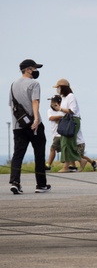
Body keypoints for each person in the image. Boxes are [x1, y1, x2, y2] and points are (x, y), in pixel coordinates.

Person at [8, 59, 48, 194]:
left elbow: (12, 106)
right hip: (34, 125)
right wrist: (36, 119)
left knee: (18, 155)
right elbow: (35, 102)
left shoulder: (13, 85)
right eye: (35, 68)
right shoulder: (34, 84)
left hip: (18, 126)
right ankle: (41, 184)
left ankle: (15, 182)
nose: (36, 71)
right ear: (28, 69)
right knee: (39, 153)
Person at [52, 79, 97, 173]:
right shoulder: (64, 97)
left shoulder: (70, 96)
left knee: (67, 143)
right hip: (67, 119)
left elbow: (72, 110)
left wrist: (60, 108)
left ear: (63, 88)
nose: (57, 89)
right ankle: (80, 161)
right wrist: (58, 109)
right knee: (65, 143)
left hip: (72, 120)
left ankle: (67, 166)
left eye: (58, 87)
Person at [45, 94, 63, 170]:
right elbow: (51, 118)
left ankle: (48, 165)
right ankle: (86, 161)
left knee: (52, 149)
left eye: (53, 102)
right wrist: (60, 117)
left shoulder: (62, 110)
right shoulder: (50, 111)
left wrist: (59, 118)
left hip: (59, 134)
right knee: (66, 150)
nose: (51, 104)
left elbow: (63, 117)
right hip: (55, 134)